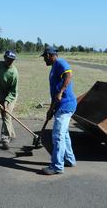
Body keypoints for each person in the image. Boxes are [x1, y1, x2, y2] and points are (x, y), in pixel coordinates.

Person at [40, 46, 77, 175]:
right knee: (64, 134)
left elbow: (69, 74)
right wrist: (50, 110)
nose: (44, 59)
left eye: (45, 57)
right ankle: (69, 160)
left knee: (58, 136)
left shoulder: (60, 63)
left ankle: (57, 166)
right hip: (59, 105)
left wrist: (61, 92)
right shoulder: (53, 68)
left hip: (66, 105)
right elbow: (54, 93)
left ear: (50, 55)